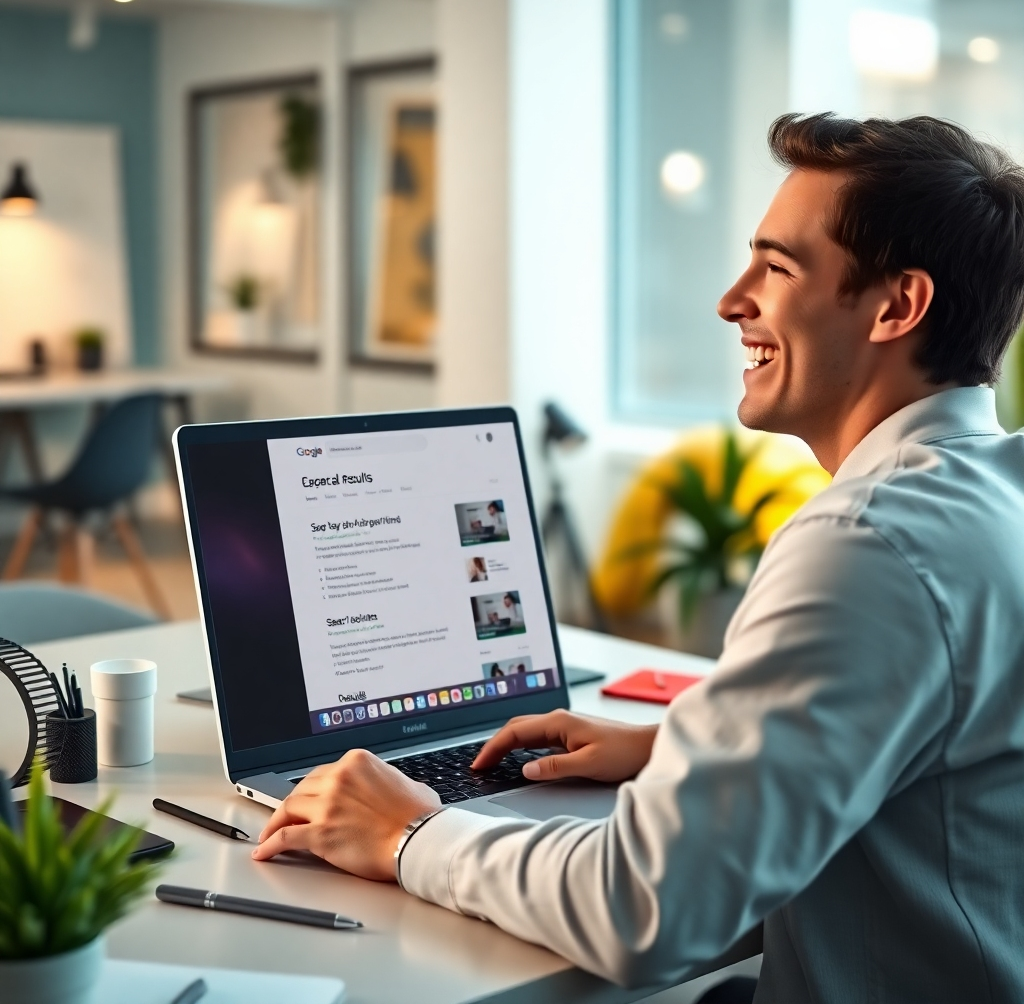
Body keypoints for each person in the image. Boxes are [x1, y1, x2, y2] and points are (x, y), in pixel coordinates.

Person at [251, 115, 1024, 1003]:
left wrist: (407, 835)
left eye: (777, 269)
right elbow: (953, 736)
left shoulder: (868, 543)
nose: (732, 301)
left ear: (897, 306)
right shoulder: (996, 491)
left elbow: (650, 911)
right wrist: (681, 749)